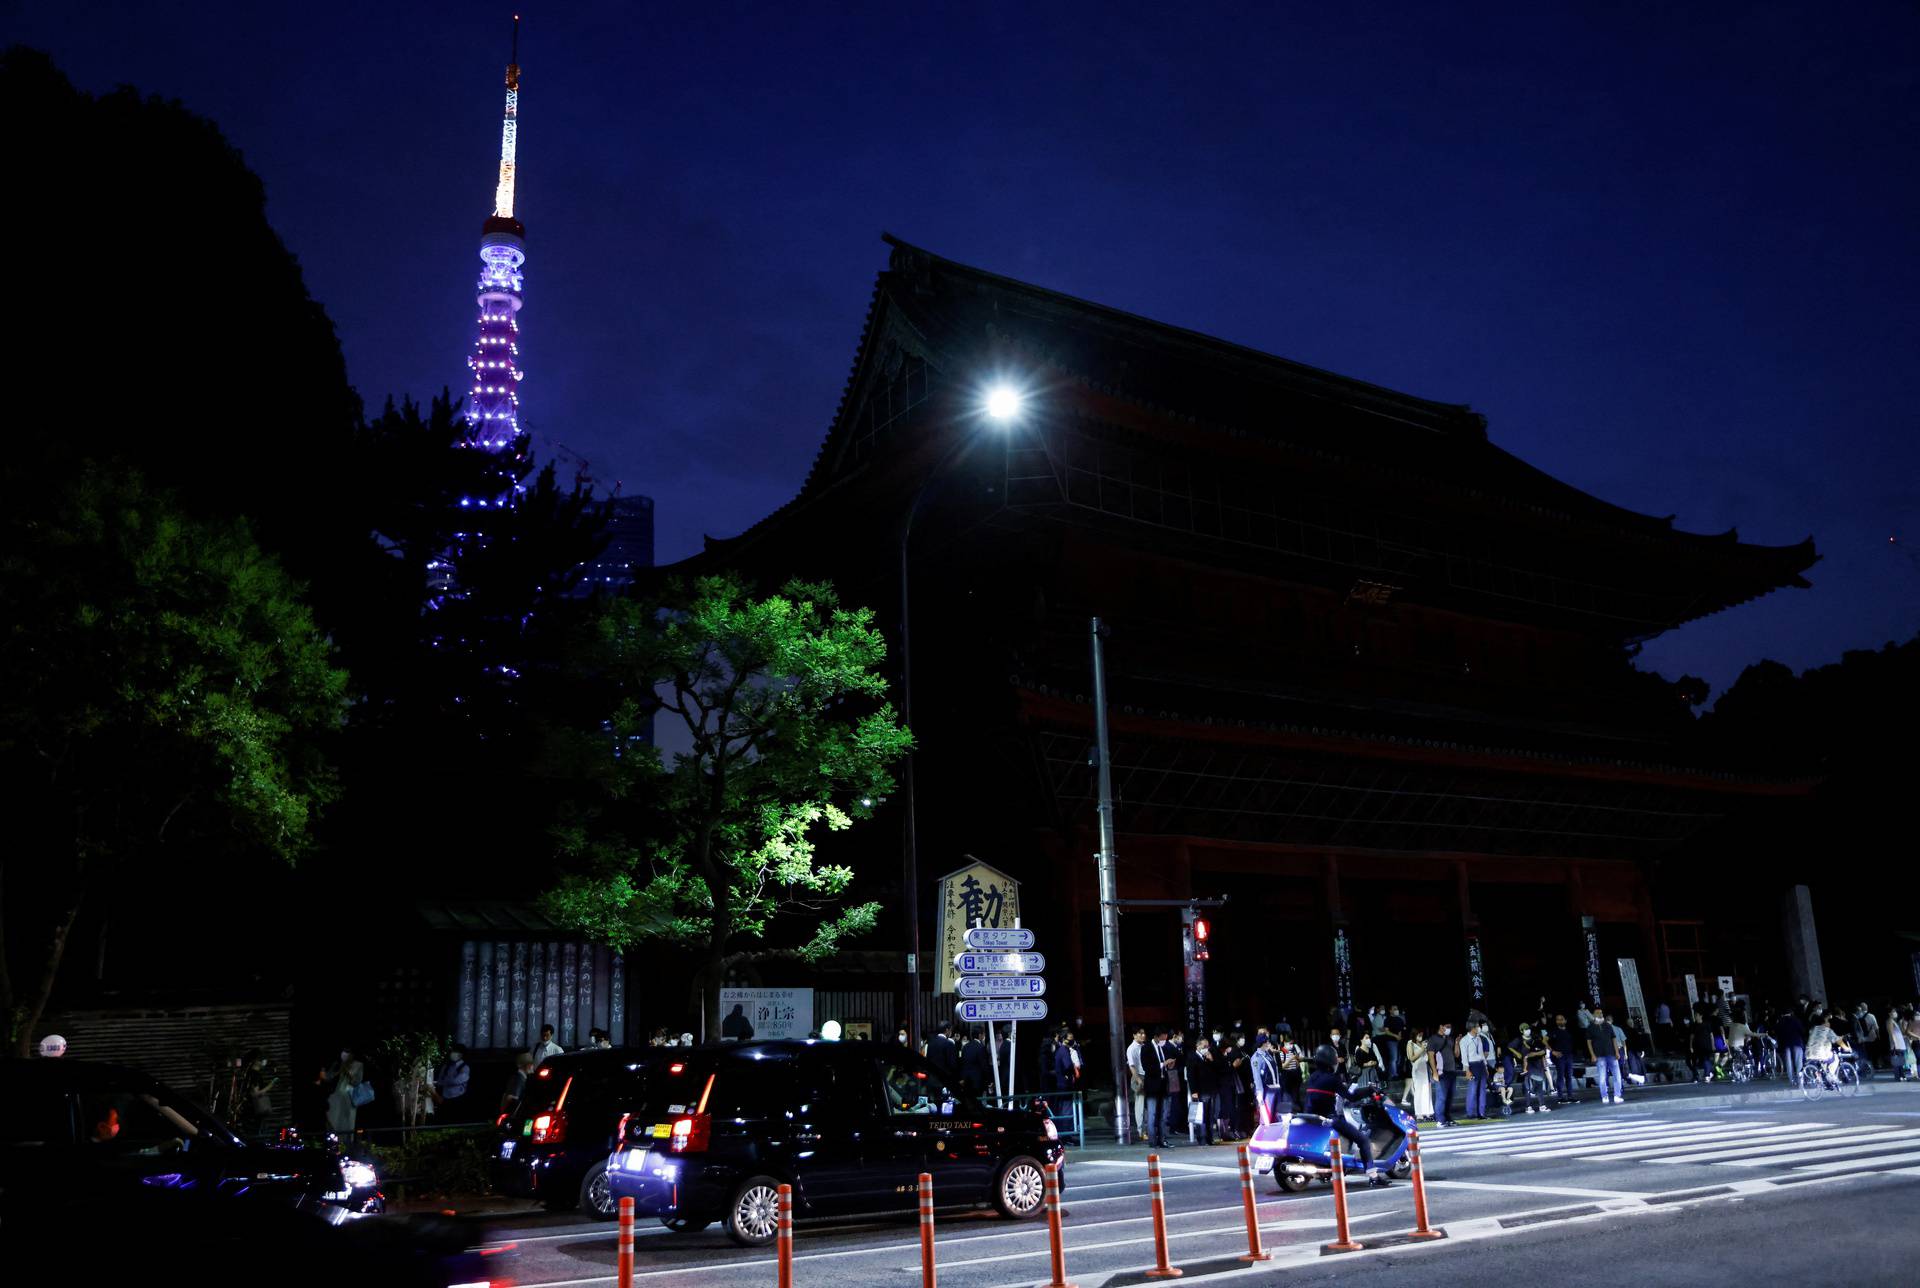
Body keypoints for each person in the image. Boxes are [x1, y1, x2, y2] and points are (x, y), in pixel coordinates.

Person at [1302, 1045, 1389, 1185]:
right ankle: (1373, 1176)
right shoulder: (1333, 1079)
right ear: (1331, 1061)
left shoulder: (1313, 1077)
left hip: (1311, 1118)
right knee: (1363, 1140)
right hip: (1329, 1119)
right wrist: (1369, 1089)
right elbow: (1351, 1097)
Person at [319, 1049, 365, 1137]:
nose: (345, 1055)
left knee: (347, 1121)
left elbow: (356, 1082)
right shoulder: (340, 1064)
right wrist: (330, 1069)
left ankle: (347, 1142)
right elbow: (329, 1077)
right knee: (333, 1117)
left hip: (349, 1096)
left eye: (348, 1053)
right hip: (337, 1096)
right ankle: (335, 1140)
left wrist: (347, 1070)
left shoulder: (358, 1065)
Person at [1185, 1037, 1219, 1146]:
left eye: (1207, 1046)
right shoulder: (1192, 1057)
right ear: (1198, 1046)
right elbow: (1191, 1075)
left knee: (1210, 1115)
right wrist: (1194, 1091)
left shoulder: (1208, 1057)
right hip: (1200, 1090)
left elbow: (1215, 1071)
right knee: (1201, 1115)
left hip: (1210, 1089)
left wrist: (1212, 1060)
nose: (1206, 1048)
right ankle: (1202, 1137)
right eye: (1204, 1046)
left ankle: (1210, 1138)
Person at [1586, 1008, 1624, 1104]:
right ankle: (1604, 1096)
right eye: (1598, 1013)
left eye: (1601, 1012)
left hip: (1611, 1053)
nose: (1600, 1014)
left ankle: (1617, 1095)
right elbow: (1589, 1043)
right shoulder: (1590, 1027)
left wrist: (1617, 1052)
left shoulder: (1607, 1025)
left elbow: (1614, 1039)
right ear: (1593, 1015)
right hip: (1599, 1055)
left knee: (1617, 1076)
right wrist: (1592, 1055)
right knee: (1602, 1077)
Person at [1458, 1021, 1491, 1119]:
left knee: (1482, 1090)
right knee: (1472, 1090)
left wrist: (1485, 1066)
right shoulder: (1464, 1040)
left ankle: (1481, 1113)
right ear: (1472, 1028)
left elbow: (1481, 1054)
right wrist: (1467, 1070)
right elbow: (1464, 1057)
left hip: (1480, 1064)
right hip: (1472, 1065)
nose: (1479, 1028)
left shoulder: (1478, 1038)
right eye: (1477, 1027)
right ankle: (1470, 1113)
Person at [1513, 1024, 1550, 1113]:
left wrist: (1544, 1066)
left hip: (1539, 1067)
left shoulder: (1540, 1044)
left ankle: (1542, 1105)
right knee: (1528, 1088)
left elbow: (1543, 1054)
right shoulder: (1527, 1044)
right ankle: (1528, 1106)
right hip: (1530, 1068)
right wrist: (1525, 1069)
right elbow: (1526, 1057)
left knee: (1539, 1087)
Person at [239, 1050, 276, 1136]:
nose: (264, 1061)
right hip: (253, 1111)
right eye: (261, 1059)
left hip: (251, 1111)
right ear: (255, 1061)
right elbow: (255, 1094)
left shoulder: (249, 1073)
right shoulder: (254, 1075)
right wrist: (271, 1085)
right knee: (254, 1134)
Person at [431, 1044, 472, 1119]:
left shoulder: (465, 1067)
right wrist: (443, 1082)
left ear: (461, 1054)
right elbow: (440, 1080)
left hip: (457, 1098)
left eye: (455, 1051)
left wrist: (444, 1082)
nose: (452, 1053)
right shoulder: (446, 1066)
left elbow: (456, 1081)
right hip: (444, 1097)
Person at [1431, 1021, 1459, 1126]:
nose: (1449, 1029)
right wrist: (1434, 1072)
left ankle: (1447, 1117)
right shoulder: (1434, 1039)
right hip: (1441, 1072)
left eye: (1450, 1027)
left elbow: (1456, 1055)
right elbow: (1430, 1056)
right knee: (1441, 1096)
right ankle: (1440, 1120)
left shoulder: (1450, 1039)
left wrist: (1456, 1043)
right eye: (1447, 1026)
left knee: (1450, 1096)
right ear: (1441, 1026)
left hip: (1452, 1071)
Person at [1547, 1014, 1578, 1104]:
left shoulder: (1569, 1031)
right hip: (1559, 1056)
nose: (1559, 1021)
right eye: (1557, 1019)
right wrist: (1552, 1051)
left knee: (1569, 1076)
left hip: (1568, 1055)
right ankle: (1560, 1097)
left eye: (1561, 1019)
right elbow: (1544, 1040)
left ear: (1565, 1021)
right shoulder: (1554, 1031)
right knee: (1560, 1075)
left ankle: (1570, 1096)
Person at [1249, 1034, 1280, 1125]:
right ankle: (1264, 1135)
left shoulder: (1268, 1054)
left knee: (1276, 1116)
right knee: (1266, 1117)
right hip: (1267, 1091)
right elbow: (1257, 1077)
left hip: (1275, 1088)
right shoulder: (1256, 1058)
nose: (1269, 1043)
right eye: (1267, 1041)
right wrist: (1260, 1093)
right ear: (1263, 1043)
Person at [1125, 1027, 1149, 1142]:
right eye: (1140, 1033)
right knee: (1140, 1104)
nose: (1142, 1035)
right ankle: (1141, 1131)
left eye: (1143, 1033)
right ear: (1134, 1035)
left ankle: (1148, 1129)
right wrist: (1138, 1079)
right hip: (1138, 1076)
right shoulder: (1131, 1048)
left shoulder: (1144, 1047)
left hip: (1147, 1075)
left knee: (1147, 1105)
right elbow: (1131, 1065)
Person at [1404, 1028, 1434, 1120]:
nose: (1420, 1036)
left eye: (1421, 1035)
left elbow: (1427, 1057)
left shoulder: (1423, 1044)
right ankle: (1419, 1113)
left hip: (1425, 1068)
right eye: (1419, 1035)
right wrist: (1421, 1049)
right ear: (1414, 1035)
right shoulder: (1410, 1043)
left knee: (1427, 1091)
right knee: (1419, 1091)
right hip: (1417, 1069)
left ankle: (1427, 1112)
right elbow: (1411, 1058)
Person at [1774, 1007, 1807, 1087]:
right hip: (1797, 1043)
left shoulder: (1780, 1022)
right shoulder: (1796, 1020)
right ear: (1791, 1013)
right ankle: (1800, 1080)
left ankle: (1791, 1080)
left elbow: (1777, 1033)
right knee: (1798, 1062)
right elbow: (1802, 1031)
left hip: (1786, 1045)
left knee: (1789, 1063)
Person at [959, 1027, 992, 1096]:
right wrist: (989, 1080)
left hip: (966, 1080)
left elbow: (962, 1063)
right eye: (983, 1034)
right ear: (980, 1035)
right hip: (978, 1081)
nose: (984, 1036)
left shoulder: (965, 1047)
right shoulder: (981, 1047)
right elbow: (984, 1066)